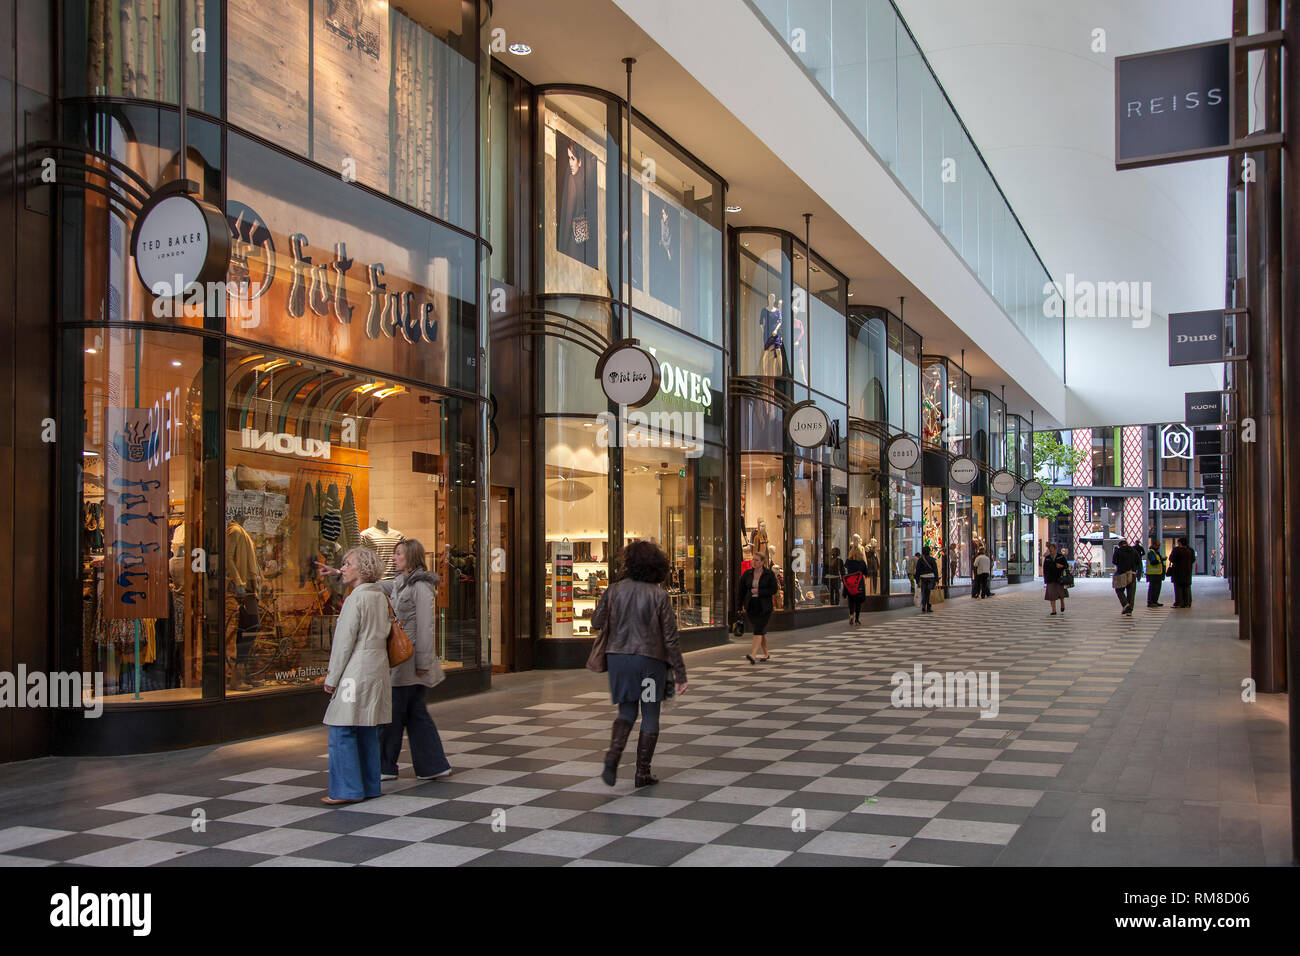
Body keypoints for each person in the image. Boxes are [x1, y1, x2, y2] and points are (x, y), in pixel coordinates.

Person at [593, 540, 687, 787]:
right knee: (650, 712)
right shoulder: (659, 595)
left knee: (626, 711)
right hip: (649, 661)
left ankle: (612, 759)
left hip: (619, 659)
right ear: (657, 565)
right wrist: (680, 672)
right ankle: (642, 772)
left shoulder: (613, 590)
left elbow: (595, 622)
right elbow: (670, 637)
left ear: (629, 563)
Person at [320, 547, 393, 805]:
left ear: (361, 569)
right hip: (377, 667)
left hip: (355, 669)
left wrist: (332, 678)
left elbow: (343, 643)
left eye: (347, 564)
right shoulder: (379, 596)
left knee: (341, 728)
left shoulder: (355, 599)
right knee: (367, 728)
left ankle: (346, 790)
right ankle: (369, 785)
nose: (343, 568)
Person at [377, 540, 451, 782]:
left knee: (395, 712)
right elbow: (376, 585)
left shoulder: (420, 586)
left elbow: (426, 627)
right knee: (414, 713)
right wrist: (340, 573)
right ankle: (431, 764)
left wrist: (423, 662)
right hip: (403, 660)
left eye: (399, 554)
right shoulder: (400, 583)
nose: (395, 557)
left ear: (411, 557)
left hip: (410, 660)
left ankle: (386, 765)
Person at [737, 550, 779, 662]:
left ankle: (753, 655)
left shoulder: (769, 574)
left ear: (762, 562)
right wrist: (739, 606)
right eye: (753, 560)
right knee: (759, 629)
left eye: (756, 560)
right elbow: (741, 591)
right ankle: (766, 653)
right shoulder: (747, 574)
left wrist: (759, 591)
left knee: (758, 628)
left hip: (764, 606)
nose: (754, 562)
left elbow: (774, 589)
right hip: (751, 605)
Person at [844, 538, 869, 626]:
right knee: (858, 601)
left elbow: (845, 566)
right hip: (859, 584)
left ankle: (851, 614)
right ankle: (857, 620)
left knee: (851, 600)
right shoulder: (862, 563)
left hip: (850, 584)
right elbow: (866, 572)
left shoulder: (849, 562)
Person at [1112, 538, 1138, 615]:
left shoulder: (1118, 551)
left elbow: (1114, 561)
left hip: (1121, 573)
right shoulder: (1133, 550)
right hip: (1132, 573)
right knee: (1131, 592)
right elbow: (1138, 562)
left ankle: (1126, 604)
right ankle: (1129, 611)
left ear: (1119, 545)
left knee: (1119, 590)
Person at [1169, 537, 1197, 608]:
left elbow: (1171, 559)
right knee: (1187, 587)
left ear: (1180, 543)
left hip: (1177, 572)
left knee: (1178, 588)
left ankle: (1179, 602)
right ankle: (1187, 603)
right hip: (1187, 571)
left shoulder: (1176, 550)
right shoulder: (1190, 550)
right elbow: (1193, 560)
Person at [1043, 541, 1066, 615]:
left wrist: (1061, 566)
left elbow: (1066, 565)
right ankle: (1054, 610)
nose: (1051, 551)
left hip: (1059, 578)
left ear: (1056, 549)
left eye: (1052, 549)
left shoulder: (1060, 556)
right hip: (1050, 578)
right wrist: (1045, 579)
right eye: (1050, 549)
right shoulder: (1047, 558)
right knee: (1051, 595)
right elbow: (1045, 569)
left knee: (1061, 593)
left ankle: (1062, 603)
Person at [915, 546, 939, 613]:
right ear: (929, 551)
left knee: (924, 592)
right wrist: (936, 579)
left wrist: (917, 579)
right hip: (931, 578)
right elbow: (935, 569)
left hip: (923, 578)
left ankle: (923, 605)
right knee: (929, 592)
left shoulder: (920, 560)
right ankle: (929, 607)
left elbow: (918, 570)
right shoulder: (932, 559)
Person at [1145, 539, 1167, 607]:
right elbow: (1153, 562)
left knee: (1157, 589)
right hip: (1153, 574)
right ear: (1153, 544)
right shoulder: (1151, 552)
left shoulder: (1156, 552)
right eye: (1157, 545)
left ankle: (1155, 601)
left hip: (1158, 574)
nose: (1158, 546)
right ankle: (1151, 602)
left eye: (1159, 545)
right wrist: (1161, 560)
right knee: (1153, 588)